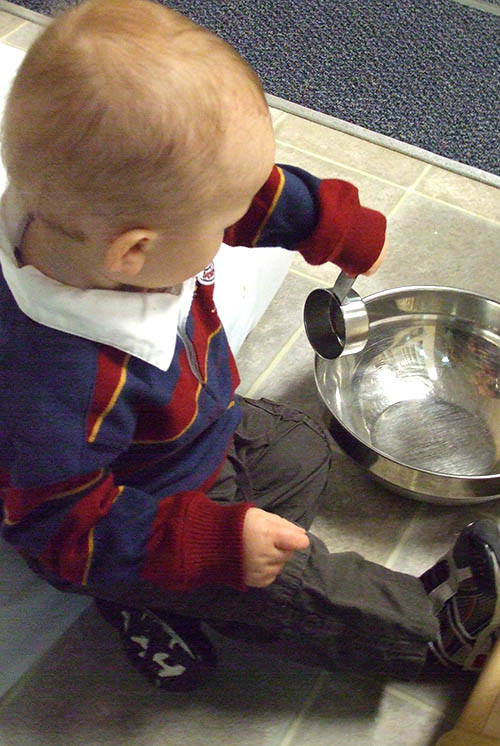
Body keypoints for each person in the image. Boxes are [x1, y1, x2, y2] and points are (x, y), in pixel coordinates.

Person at [0, 0, 499, 692]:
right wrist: (209, 545)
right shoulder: (49, 385)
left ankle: (161, 598)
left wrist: (324, 219)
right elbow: (58, 530)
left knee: (303, 448)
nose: (234, 227)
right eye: (222, 224)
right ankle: (438, 635)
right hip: (145, 510)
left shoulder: (92, 219)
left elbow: (230, 185)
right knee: (292, 584)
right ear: (136, 253)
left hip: (199, 436)